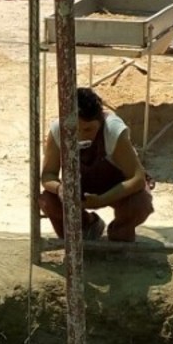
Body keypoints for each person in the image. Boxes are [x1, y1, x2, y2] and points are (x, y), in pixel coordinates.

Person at [39, 87, 153, 242]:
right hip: (79, 189)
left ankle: (120, 234)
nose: (81, 136)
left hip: (116, 188)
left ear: (99, 121)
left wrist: (102, 200)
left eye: (88, 129)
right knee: (48, 201)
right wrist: (60, 189)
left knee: (140, 204)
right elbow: (47, 175)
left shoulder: (112, 129)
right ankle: (87, 226)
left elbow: (137, 178)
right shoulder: (59, 130)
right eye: (75, 130)